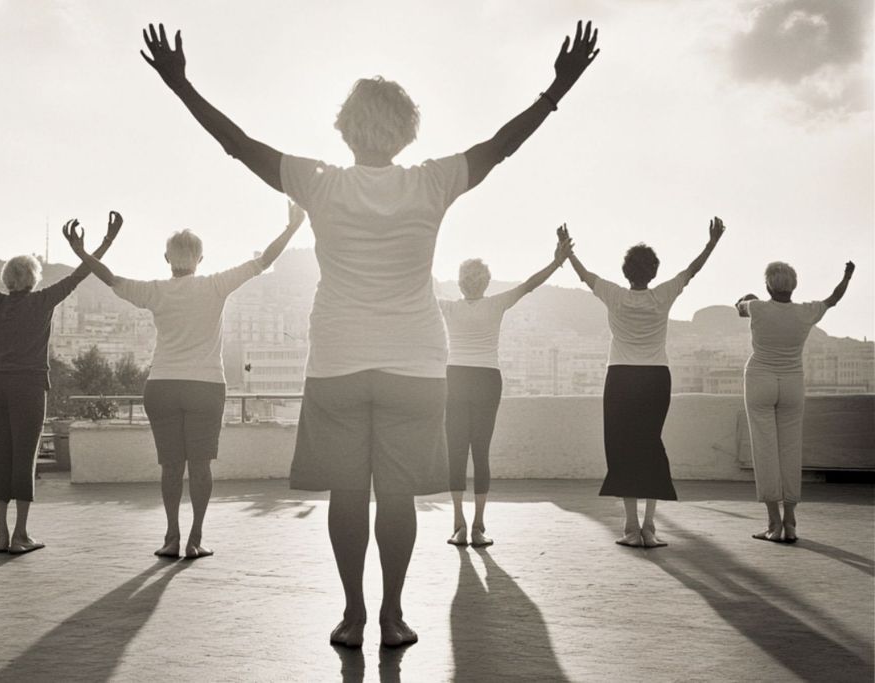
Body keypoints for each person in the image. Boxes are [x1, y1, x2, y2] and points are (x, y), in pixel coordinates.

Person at [140, 19, 599, 647]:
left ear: (345, 127)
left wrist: (180, 85)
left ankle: (353, 615)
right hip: (416, 365)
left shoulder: (318, 181)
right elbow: (501, 144)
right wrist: (555, 89)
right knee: (400, 497)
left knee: (349, 495)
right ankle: (392, 616)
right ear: (407, 129)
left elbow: (238, 144)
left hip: (336, 363)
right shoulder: (432, 180)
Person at [63, 202, 305, 560]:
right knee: (200, 465)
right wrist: (292, 228)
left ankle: (170, 536)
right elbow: (263, 262)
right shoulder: (214, 285)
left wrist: (82, 251)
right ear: (201, 258)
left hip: (162, 385)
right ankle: (195, 539)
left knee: (171, 466)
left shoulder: (156, 291)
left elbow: (111, 278)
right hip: (205, 386)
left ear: (166, 258)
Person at [0, 216, 119, 554]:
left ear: (7, 279)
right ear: (33, 278)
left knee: (3, 458)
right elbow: (80, 274)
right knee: (25, 460)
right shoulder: (44, 300)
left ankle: (1, 534)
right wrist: (104, 242)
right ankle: (21, 535)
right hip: (29, 387)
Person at [563, 218, 724, 548]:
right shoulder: (663, 295)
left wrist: (567, 252)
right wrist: (711, 243)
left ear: (626, 272)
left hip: (621, 376)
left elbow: (583, 275)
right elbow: (691, 271)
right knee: (651, 446)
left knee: (623, 450)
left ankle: (630, 526)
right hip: (655, 377)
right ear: (652, 272)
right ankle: (650, 527)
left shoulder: (613, 294)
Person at [441, 235, 571, 548]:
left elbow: (411, 292)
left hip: (455, 377)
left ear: (460, 284)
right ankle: (478, 526)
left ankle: (458, 523)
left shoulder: (447, 308)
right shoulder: (496, 303)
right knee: (480, 452)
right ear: (485, 283)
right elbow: (530, 284)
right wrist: (557, 260)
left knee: (456, 453)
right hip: (487, 379)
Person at [736, 261, 854, 543]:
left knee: (764, 448)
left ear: (768, 286)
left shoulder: (758, 308)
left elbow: (739, 305)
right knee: (791, 448)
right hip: (792, 381)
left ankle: (772, 523)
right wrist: (846, 276)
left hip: (760, 379)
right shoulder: (805, 312)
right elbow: (833, 300)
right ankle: (790, 521)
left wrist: (750, 297)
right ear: (794, 286)